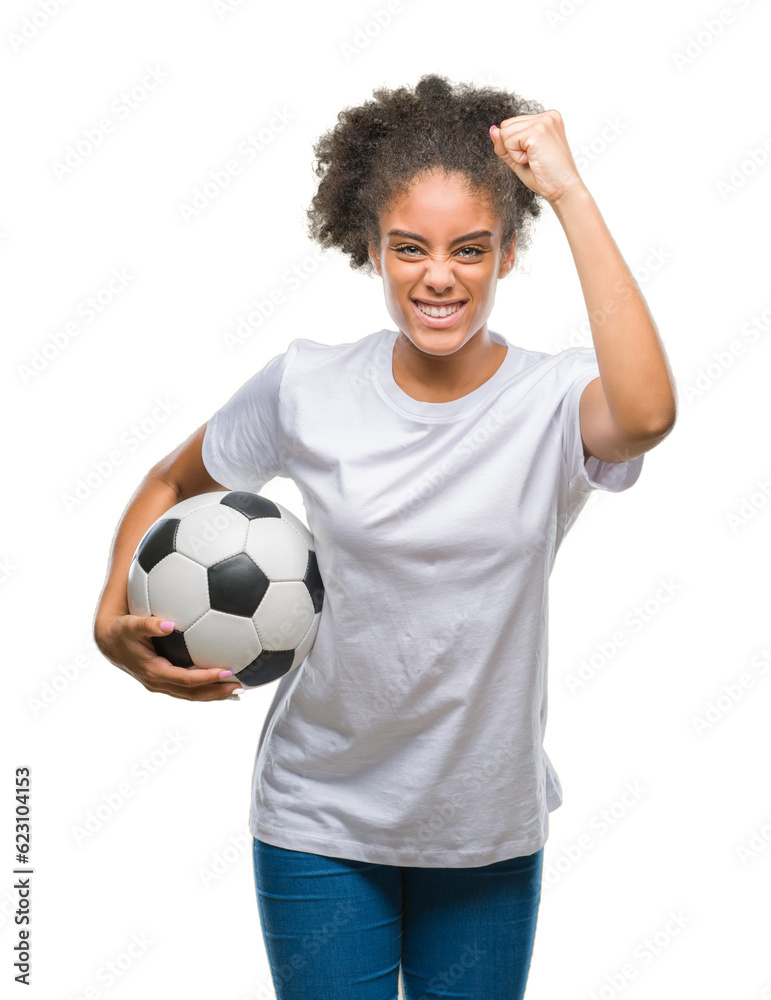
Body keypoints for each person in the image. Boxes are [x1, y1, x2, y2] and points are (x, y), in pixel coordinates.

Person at [93, 74, 677, 1000]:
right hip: (318, 816)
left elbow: (645, 415)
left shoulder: (553, 401)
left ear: (507, 255)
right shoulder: (306, 386)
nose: (437, 275)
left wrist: (568, 191)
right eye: (409, 248)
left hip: (483, 824)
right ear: (370, 248)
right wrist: (109, 618)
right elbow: (173, 480)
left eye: (469, 250)